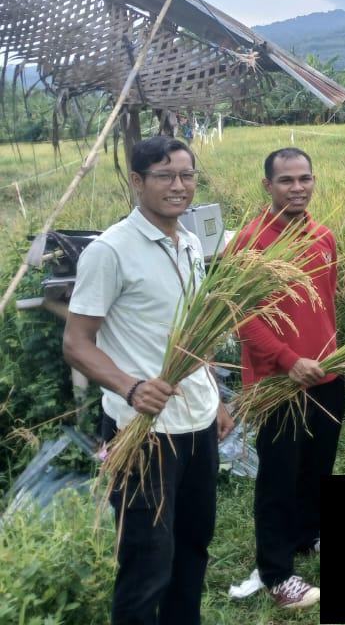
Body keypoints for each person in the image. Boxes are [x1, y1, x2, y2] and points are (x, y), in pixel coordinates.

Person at [63, 136, 233, 625]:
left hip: (198, 423)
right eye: (164, 175)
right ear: (137, 181)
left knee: (194, 544)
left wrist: (216, 398)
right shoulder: (110, 251)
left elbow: (192, 333)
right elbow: (77, 342)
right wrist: (131, 387)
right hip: (145, 435)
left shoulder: (192, 243)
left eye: (187, 175)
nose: (178, 186)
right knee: (147, 560)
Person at [233, 148, 340, 610]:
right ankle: (277, 572)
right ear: (268, 186)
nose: (297, 188)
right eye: (286, 181)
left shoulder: (323, 236)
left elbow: (327, 302)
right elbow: (243, 317)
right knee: (278, 475)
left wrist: (331, 357)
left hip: (328, 373)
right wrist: (286, 358)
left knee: (318, 465)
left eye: (304, 179)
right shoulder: (251, 242)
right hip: (278, 381)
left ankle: (307, 535)